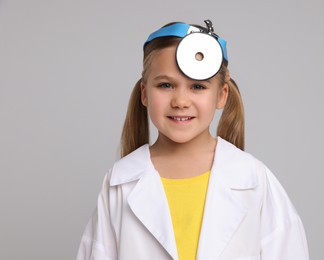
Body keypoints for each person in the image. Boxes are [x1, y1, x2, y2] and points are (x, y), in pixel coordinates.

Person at [77, 20, 309, 260]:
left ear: (221, 95)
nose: (180, 101)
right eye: (166, 85)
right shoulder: (119, 184)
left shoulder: (255, 181)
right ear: (145, 93)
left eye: (197, 87)